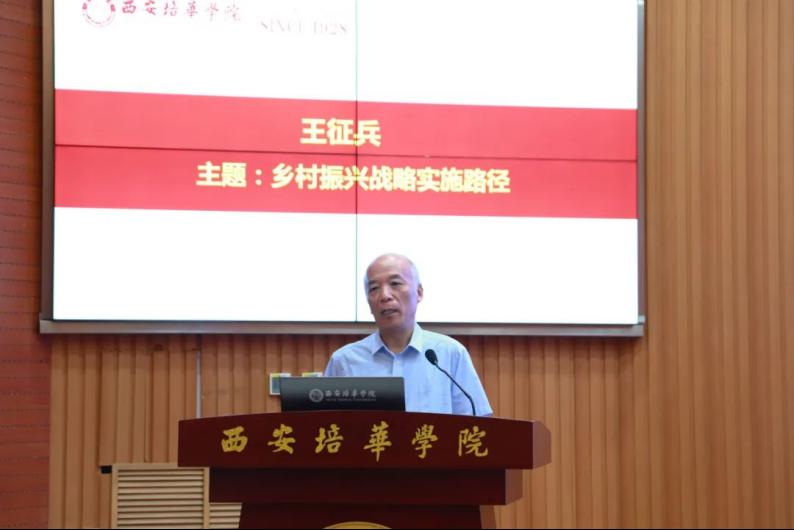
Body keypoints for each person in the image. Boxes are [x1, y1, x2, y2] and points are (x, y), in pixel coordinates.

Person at [324, 253, 492, 416]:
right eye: (374, 288)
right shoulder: (344, 361)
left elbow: (476, 426)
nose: (384, 296)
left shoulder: (450, 354)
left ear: (419, 292)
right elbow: (325, 426)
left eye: (395, 284)